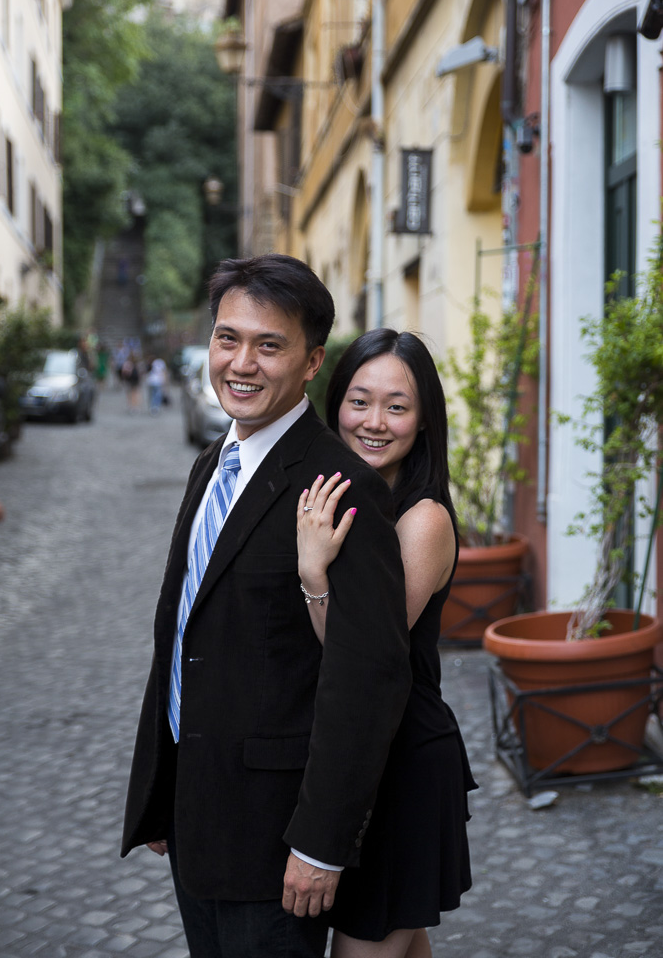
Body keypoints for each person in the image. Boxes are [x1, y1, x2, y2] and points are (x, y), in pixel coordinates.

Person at [121, 254, 412, 958]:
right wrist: (164, 787)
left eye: (268, 345)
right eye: (228, 338)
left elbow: (367, 677)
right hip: (197, 812)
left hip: (276, 840)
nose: (240, 363)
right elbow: (186, 632)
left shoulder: (341, 487)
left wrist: (321, 843)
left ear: (312, 363)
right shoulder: (212, 462)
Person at [296, 329, 477, 958]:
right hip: (363, 758)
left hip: (404, 766)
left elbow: (365, 655)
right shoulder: (347, 497)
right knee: (403, 942)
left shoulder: (421, 520)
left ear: (424, 421)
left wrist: (313, 574)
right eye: (358, 401)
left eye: (397, 407)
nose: (373, 422)